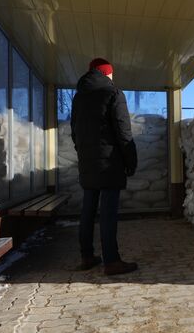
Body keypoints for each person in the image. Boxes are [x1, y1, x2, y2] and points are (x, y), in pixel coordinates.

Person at [71, 58, 138, 275]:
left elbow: (75, 132)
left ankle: (86, 256)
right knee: (108, 213)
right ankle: (112, 261)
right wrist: (130, 161)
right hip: (109, 163)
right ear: (106, 73)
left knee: (88, 210)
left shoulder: (79, 98)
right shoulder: (113, 94)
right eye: (111, 74)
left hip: (87, 162)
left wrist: (84, 154)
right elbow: (123, 132)